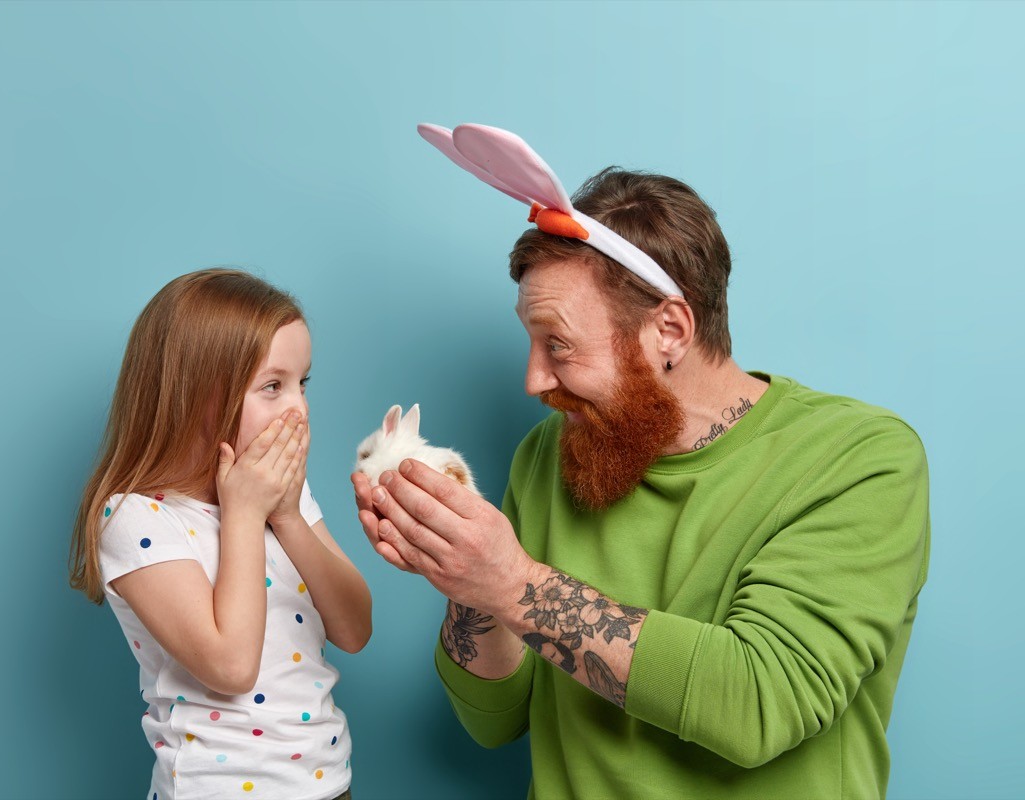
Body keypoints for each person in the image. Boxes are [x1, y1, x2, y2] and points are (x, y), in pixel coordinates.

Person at [353, 167, 930, 799]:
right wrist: (462, 577)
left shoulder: (858, 459)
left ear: (669, 331)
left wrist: (509, 581)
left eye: (559, 345)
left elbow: (761, 703)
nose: (534, 380)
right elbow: (496, 721)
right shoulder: (548, 453)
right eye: (530, 340)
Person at [72, 268, 370, 800]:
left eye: (303, 383)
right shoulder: (137, 519)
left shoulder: (283, 498)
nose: (298, 408)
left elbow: (354, 630)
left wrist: (287, 517)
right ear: (198, 396)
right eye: (273, 387)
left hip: (328, 784)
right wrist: (244, 514)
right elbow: (231, 666)